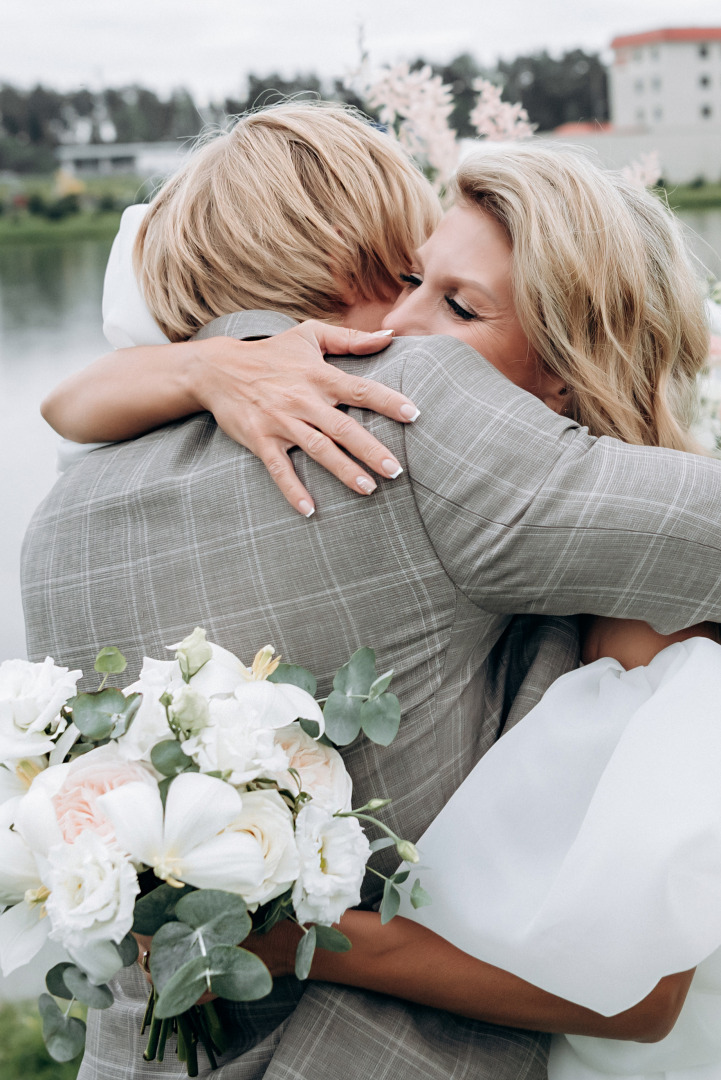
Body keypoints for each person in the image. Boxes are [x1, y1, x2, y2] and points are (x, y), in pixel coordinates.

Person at [22, 105, 721, 1080]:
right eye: (403, 274)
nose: (406, 318)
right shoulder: (404, 415)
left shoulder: (62, 514)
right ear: (357, 257)